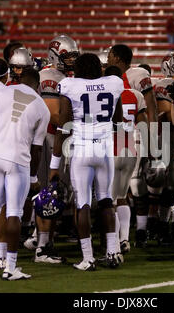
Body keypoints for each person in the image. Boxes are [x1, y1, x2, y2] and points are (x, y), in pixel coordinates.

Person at [0, 68, 50, 280]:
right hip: (19, 160)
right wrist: (34, 177)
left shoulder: (3, 91)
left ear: (19, 79)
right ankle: (10, 267)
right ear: (37, 85)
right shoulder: (41, 107)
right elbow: (36, 149)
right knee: (14, 213)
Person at [52, 53, 124, 271]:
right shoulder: (113, 84)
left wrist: (54, 165)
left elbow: (63, 126)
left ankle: (88, 258)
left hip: (82, 148)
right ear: (99, 69)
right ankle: (112, 252)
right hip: (104, 148)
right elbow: (118, 120)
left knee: (82, 203)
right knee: (105, 201)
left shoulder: (69, 85)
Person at [34, 35, 79, 264]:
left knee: (53, 191)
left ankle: (42, 241)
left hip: (54, 138)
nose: (71, 60)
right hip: (51, 138)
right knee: (49, 192)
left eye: (73, 56)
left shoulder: (58, 76)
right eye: (67, 56)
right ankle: (42, 247)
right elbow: (55, 116)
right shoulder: (50, 78)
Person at [108, 65, 147, 258]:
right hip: (130, 149)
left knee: (110, 200)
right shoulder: (135, 95)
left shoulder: (104, 92)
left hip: (111, 149)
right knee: (122, 195)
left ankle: (114, 243)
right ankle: (124, 238)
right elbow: (143, 124)